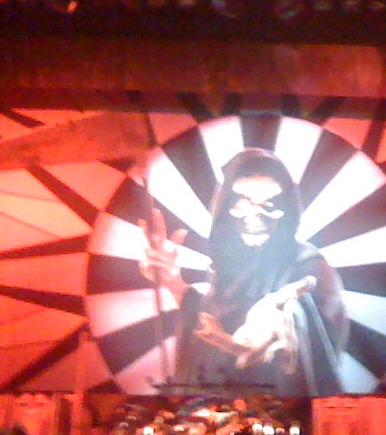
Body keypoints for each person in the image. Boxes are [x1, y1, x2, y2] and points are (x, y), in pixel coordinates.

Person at [141, 148, 350, 397]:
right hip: (214, 404)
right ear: (225, 207)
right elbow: (214, 317)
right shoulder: (230, 262)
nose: (256, 217)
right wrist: (174, 283)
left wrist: (289, 320)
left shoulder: (308, 265)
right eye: (243, 203)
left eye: (270, 205)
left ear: (287, 210)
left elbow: (322, 334)